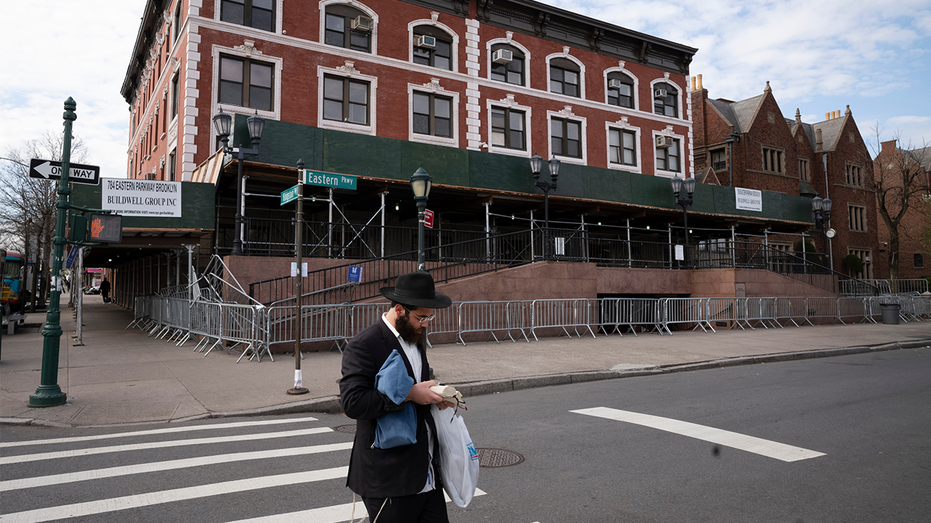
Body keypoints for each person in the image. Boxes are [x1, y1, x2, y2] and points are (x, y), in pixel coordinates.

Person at [339, 271, 455, 523]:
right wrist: (411, 394)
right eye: (421, 317)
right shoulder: (365, 344)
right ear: (399, 310)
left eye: (430, 317)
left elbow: (416, 388)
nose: (426, 324)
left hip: (426, 471)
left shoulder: (416, 339)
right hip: (389, 478)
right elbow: (353, 403)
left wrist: (436, 396)